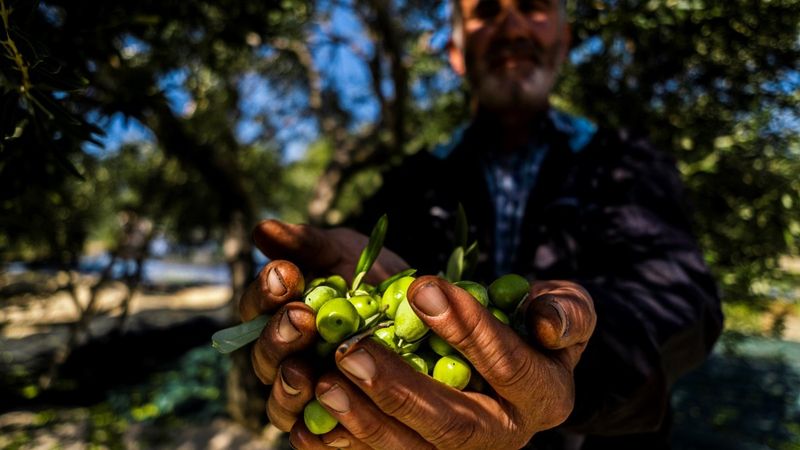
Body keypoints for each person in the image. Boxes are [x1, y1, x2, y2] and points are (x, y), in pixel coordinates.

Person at [238, 0, 724, 448]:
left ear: (564, 40)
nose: (511, 26)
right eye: (486, 12)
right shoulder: (410, 186)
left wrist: (574, 355)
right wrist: (296, 335)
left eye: (533, 8)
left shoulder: (627, 166)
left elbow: (684, 300)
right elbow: (336, 297)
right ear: (455, 52)